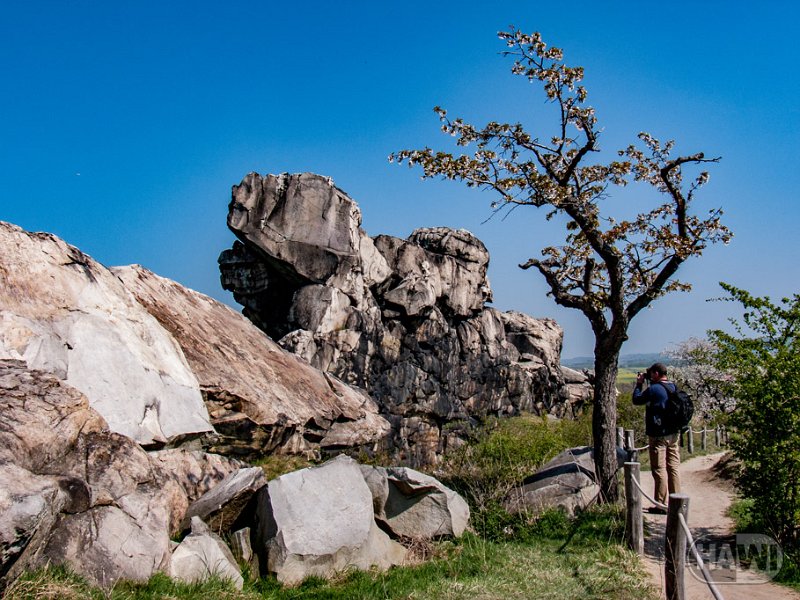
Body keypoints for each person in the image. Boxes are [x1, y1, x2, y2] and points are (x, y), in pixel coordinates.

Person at [632, 362, 681, 514]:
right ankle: (677, 500)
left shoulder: (654, 389)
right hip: (673, 434)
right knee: (673, 468)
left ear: (656, 374)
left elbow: (637, 399)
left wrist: (639, 384)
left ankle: (660, 504)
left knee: (659, 469)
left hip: (658, 435)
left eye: (651, 374)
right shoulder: (673, 387)